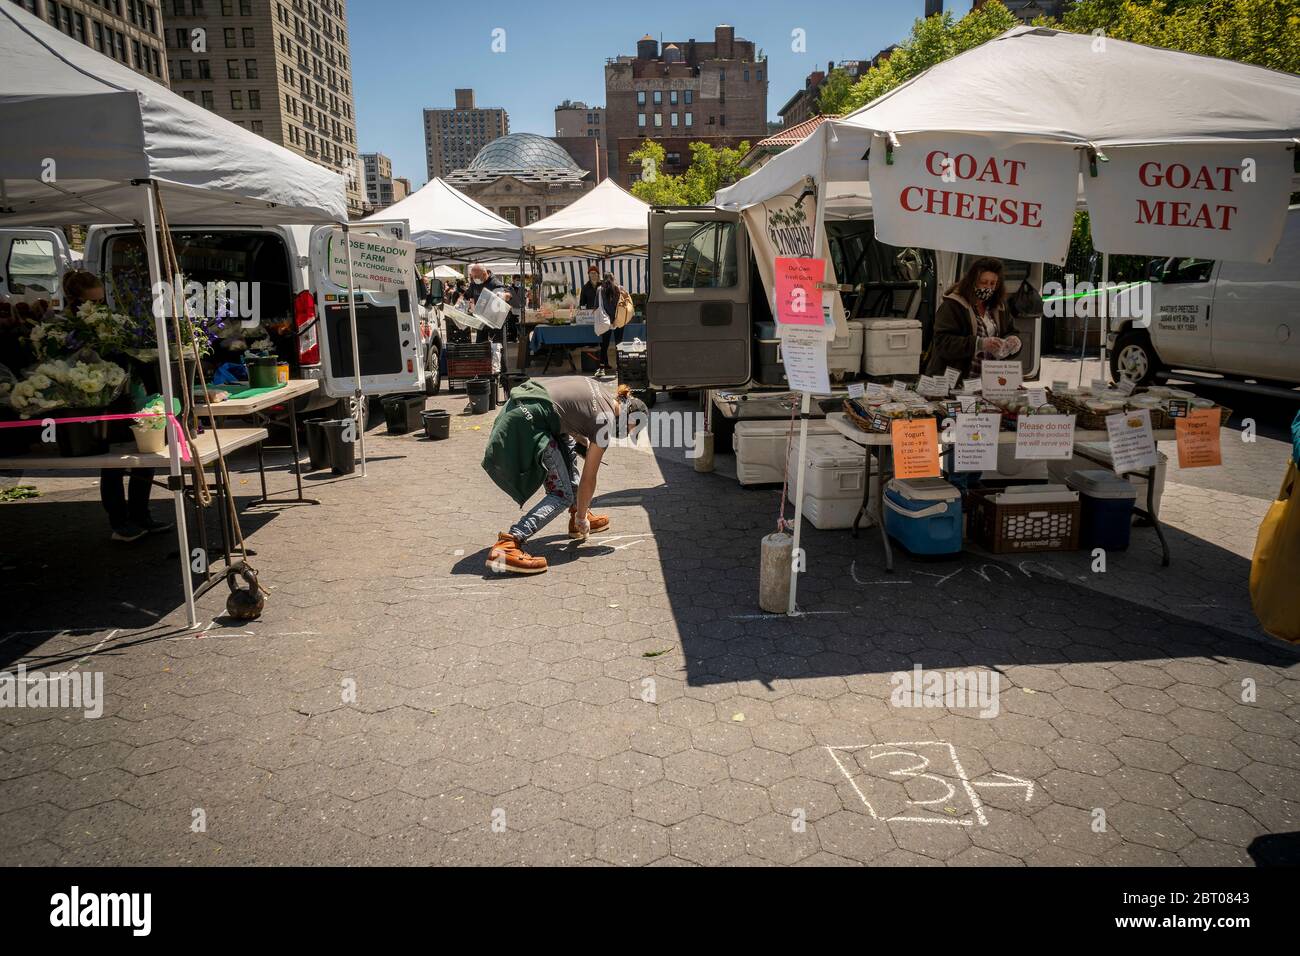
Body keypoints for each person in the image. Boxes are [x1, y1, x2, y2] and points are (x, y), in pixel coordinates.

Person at [482, 376, 648, 574]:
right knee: (561, 494)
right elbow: (589, 478)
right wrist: (581, 516)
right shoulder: (608, 421)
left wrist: (582, 443)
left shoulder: (601, 391)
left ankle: (578, 515)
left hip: (519, 406)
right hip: (529, 423)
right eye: (631, 429)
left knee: (568, 444)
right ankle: (509, 543)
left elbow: (569, 414)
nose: (627, 435)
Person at [61, 270, 171, 542]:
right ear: (76, 301)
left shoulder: (110, 319)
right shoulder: (66, 326)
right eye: (93, 302)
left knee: (145, 453)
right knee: (111, 462)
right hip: (97, 399)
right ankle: (119, 522)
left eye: (102, 301)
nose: (99, 307)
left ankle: (140, 514)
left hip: (127, 393)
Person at [924, 256, 1022, 383]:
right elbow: (942, 342)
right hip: (954, 381)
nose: (988, 288)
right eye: (983, 282)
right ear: (972, 281)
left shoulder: (999, 307)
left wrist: (1014, 342)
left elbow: (1011, 331)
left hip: (989, 382)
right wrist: (979, 344)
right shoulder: (953, 305)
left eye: (993, 283)